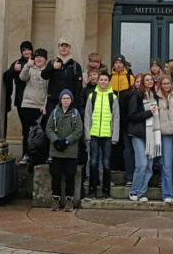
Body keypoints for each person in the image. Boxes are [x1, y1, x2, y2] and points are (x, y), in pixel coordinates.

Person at [84, 71, 120, 199]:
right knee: (93, 162)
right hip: (94, 134)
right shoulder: (92, 95)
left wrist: (115, 136)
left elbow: (116, 117)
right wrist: (87, 134)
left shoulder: (113, 97)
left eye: (106, 80)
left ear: (109, 82)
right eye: (101, 80)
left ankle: (106, 191)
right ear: (98, 81)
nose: (103, 82)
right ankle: (92, 190)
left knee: (106, 163)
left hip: (107, 135)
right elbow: (87, 116)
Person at [46, 89, 83, 212]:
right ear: (60, 100)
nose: (66, 100)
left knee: (70, 176)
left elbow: (78, 131)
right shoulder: (55, 113)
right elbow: (49, 128)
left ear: (71, 100)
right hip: (56, 152)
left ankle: (69, 199)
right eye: (64, 98)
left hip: (70, 152)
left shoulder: (75, 114)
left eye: (68, 98)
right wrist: (56, 140)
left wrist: (67, 141)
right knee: (55, 176)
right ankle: (55, 199)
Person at [126, 73, 161, 202]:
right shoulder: (136, 95)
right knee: (142, 164)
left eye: (151, 79)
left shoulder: (155, 97)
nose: (149, 81)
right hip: (139, 134)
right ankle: (133, 191)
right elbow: (132, 115)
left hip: (152, 135)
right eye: (147, 80)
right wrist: (148, 113)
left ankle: (141, 193)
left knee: (149, 166)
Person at [18, 48, 49, 164]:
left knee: (40, 133)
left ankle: (39, 156)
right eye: (36, 57)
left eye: (41, 57)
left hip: (40, 106)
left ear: (45, 59)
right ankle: (25, 154)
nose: (38, 59)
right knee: (26, 132)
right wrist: (27, 65)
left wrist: (45, 105)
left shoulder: (47, 71)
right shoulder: (30, 69)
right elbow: (22, 77)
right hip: (27, 105)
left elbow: (48, 91)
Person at [42, 38, 84, 121]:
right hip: (53, 101)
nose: (64, 48)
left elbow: (78, 86)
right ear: (58, 47)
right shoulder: (52, 63)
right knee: (52, 125)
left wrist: (76, 103)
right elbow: (44, 75)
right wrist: (52, 67)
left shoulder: (75, 65)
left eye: (66, 46)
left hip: (69, 102)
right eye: (62, 45)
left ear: (69, 48)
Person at [110, 54, 136, 186]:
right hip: (111, 119)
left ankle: (129, 177)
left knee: (128, 149)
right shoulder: (109, 78)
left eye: (120, 63)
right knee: (111, 148)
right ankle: (110, 176)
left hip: (126, 119)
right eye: (116, 63)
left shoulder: (130, 78)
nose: (118, 65)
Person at [3, 40, 34, 136]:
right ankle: (26, 150)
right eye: (24, 50)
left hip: (35, 99)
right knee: (25, 127)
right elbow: (5, 76)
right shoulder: (18, 63)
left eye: (28, 49)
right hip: (21, 100)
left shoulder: (37, 61)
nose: (26, 52)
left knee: (34, 127)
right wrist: (13, 70)